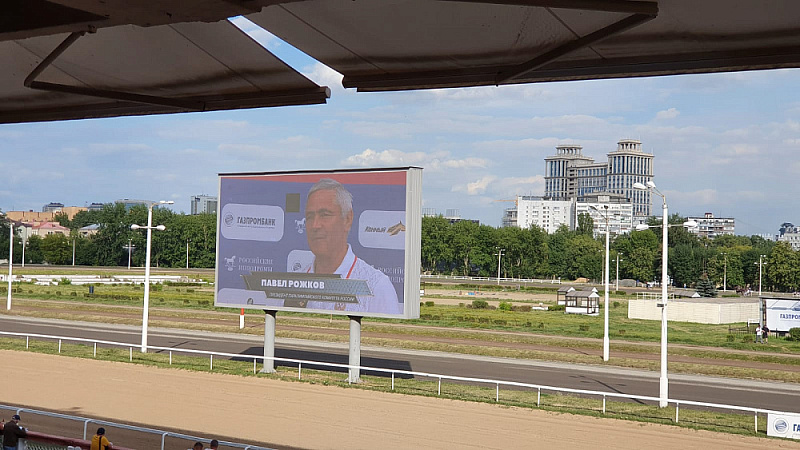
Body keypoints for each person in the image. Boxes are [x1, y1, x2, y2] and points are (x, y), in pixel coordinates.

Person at [296, 178, 400, 314]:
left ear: (347, 219)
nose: (315, 225)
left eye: (324, 215)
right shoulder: (294, 284)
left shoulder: (376, 287)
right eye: (310, 216)